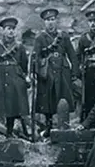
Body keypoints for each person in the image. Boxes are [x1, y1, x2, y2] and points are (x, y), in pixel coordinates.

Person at [31, 8, 79, 137]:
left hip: (62, 71)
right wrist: (36, 71)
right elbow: (35, 57)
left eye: (52, 20)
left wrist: (74, 73)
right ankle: (48, 125)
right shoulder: (40, 38)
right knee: (48, 100)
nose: (50, 23)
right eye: (47, 20)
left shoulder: (63, 36)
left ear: (56, 21)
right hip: (48, 73)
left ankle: (64, 124)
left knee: (63, 97)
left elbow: (72, 55)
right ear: (44, 23)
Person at [0, 17, 31, 138]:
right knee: (2, 105)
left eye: (13, 29)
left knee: (13, 105)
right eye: (8, 29)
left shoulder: (19, 47)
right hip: (1, 78)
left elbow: (23, 64)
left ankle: (11, 130)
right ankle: (0, 130)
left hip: (15, 78)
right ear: (3, 30)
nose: (11, 31)